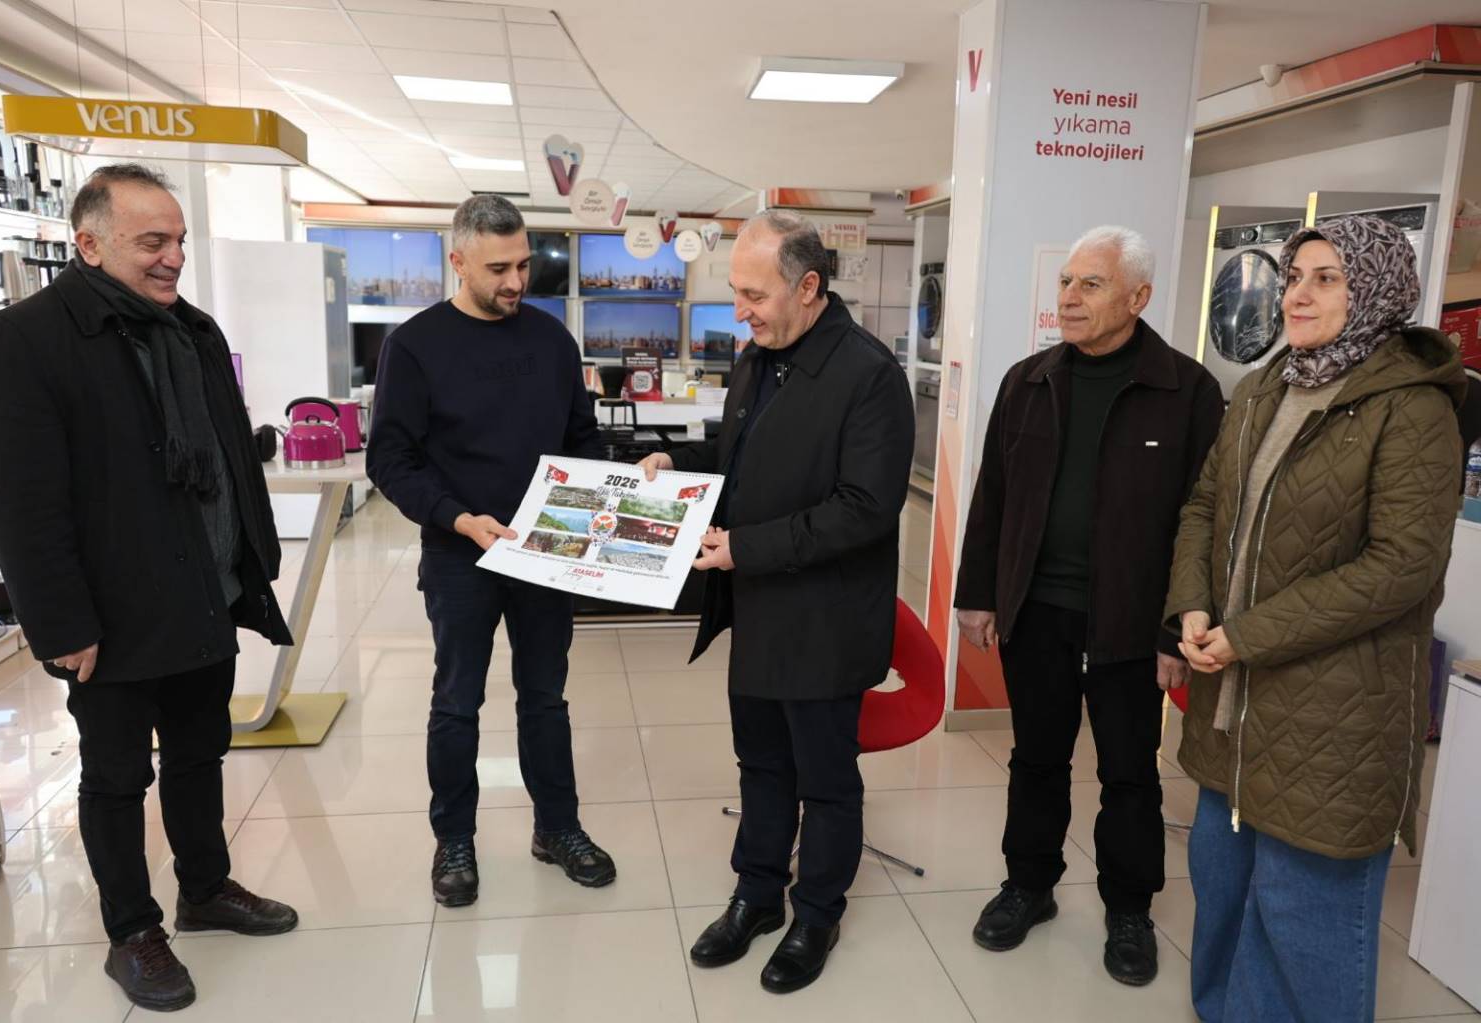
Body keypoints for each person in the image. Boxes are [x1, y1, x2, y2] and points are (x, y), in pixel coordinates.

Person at [0, 163, 298, 1013]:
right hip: (109, 613)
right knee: (116, 774)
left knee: (199, 750)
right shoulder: (24, 339)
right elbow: (19, 500)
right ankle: (132, 931)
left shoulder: (190, 330)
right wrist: (60, 621)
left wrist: (250, 562)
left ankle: (205, 888)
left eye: (178, 240)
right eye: (152, 241)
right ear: (89, 243)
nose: (173, 256)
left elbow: (224, 454)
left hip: (204, 591)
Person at [1167, 215, 1466, 1023]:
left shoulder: (1412, 409)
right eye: (1295, 276)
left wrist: (1247, 634)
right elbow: (1204, 506)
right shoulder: (1263, 387)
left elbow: (1400, 566)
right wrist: (1192, 603)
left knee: (1306, 926)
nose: (1298, 294)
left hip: (1333, 720)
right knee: (1223, 890)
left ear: (1376, 290)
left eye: (1326, 278)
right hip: (1232, 712)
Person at [639, 210, 914, 994]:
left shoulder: (869, 376)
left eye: (754, 295)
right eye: (736, 292)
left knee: (824, 779)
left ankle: (816, 913)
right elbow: (741, 459)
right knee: (760, 763)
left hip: (826, 620)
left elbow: (865, 508)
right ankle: (756, 894)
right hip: (758, 609)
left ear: (809, 286)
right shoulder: (757, 359)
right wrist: (678, 463)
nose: (740, 311)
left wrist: (745, 549)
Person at [954, 226, 1224, 986]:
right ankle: (1028, 885)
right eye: (1066, 282)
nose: (1069, 298)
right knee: (1036, 757)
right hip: (1037, 609)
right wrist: (977, 592)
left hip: (1132, 620)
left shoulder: (1187, 391)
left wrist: (1178, 625)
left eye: (1091, 284)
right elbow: (993, 495)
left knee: (1129, 771)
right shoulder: (1029, 380)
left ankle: (1129, 909)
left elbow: (1206, 520)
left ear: (1138, 297)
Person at [367, 194, 614, 911]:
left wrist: (624, 486)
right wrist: (458, 517)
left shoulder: (552, 341)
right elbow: (390, 459)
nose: (516, 281)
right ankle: (455, 840)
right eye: (498, 268)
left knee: (546, 698)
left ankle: (557, 828)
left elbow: (581, 440)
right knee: (457, 702)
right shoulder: (414, 346)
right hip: (460, 552)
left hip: (545, 548)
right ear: (458, 261)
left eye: (523, 264)